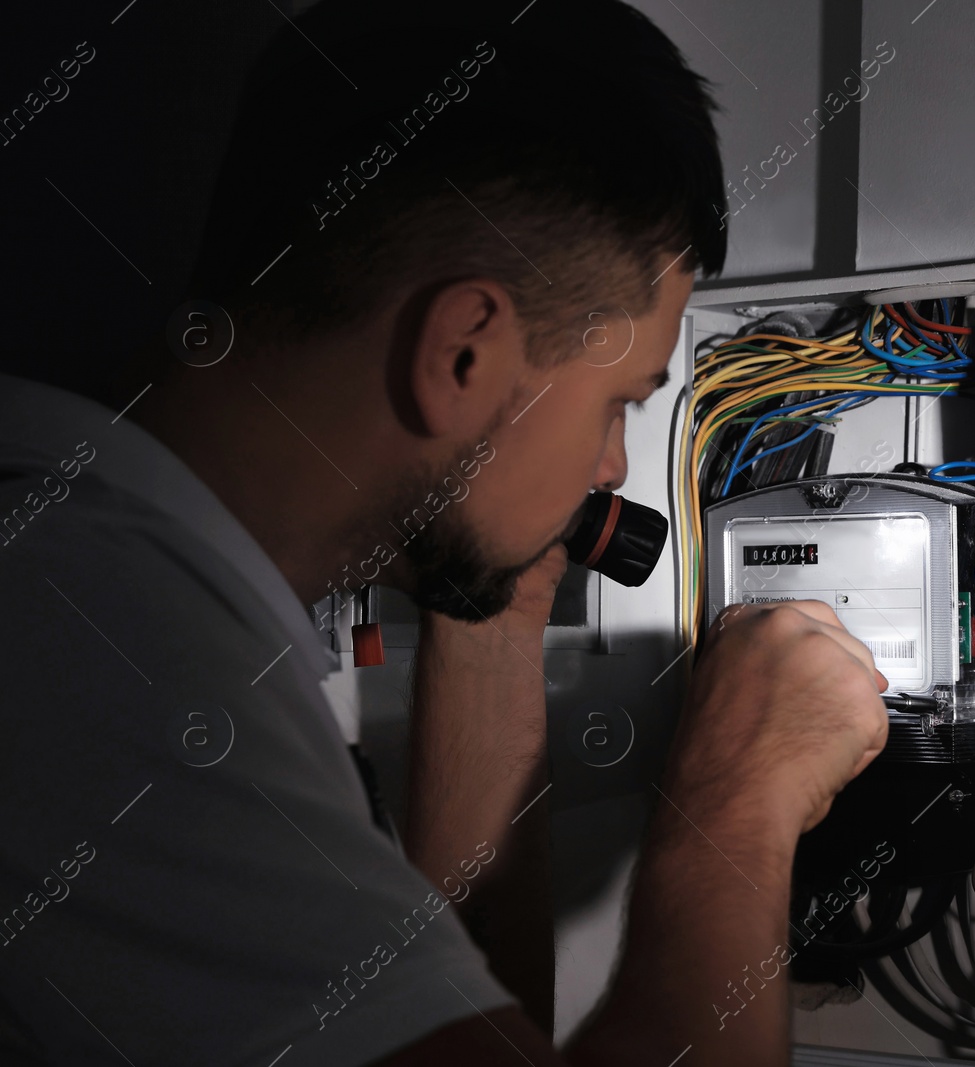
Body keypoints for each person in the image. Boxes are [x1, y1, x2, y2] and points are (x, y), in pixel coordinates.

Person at [0, 1, 888, 1064]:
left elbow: (440, 1015)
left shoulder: (102, 564)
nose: (610, 467)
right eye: (618, 402)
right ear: (464, 353)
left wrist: (498, 593)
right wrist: (740, 796)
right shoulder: (105, 653)